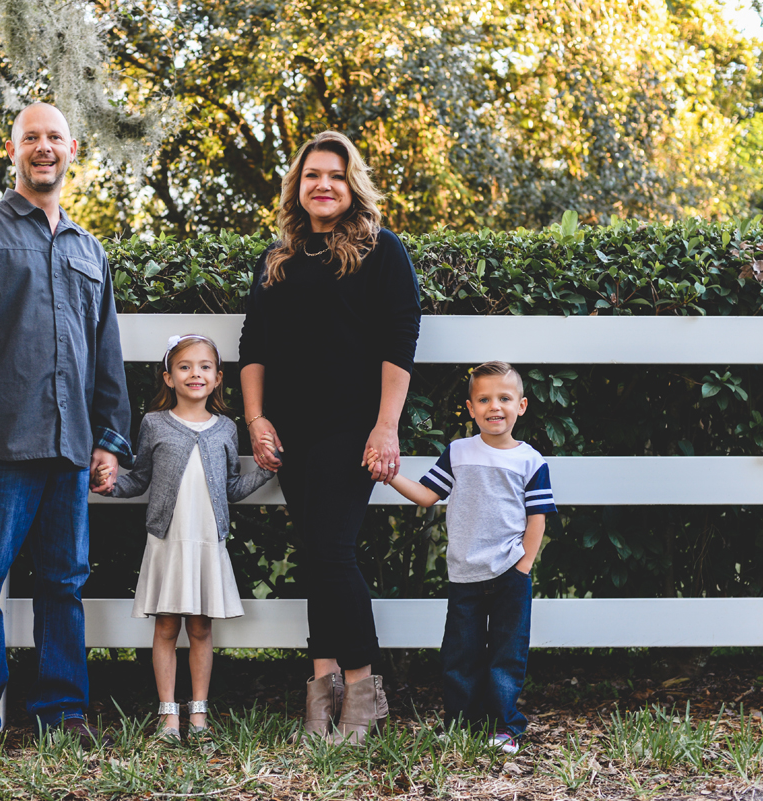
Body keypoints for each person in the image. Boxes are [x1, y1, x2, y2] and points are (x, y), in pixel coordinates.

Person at [0, 102, 133, 753]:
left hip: (72, 447)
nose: (43, 147)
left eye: (53, 137)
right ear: (12, 150)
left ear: (72, 148)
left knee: (64, 586)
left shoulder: (88, 248)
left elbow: (105, 349)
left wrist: (110, 436)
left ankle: (61, 710)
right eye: (30, 138)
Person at [237, 130, 421, 744]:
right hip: (290, 432)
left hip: (352, 428)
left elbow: (400, 344)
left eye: (336, 176)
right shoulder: (278, 257)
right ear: (298, 184)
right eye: (313, 175)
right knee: (317, 555)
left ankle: (364, 692)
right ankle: (322, 694)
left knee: (334, 553)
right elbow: (253, 347)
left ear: (352, 184)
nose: (324, 185)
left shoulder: (381, 250)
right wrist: (257, 419)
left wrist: (385, 426)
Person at [94, 334, 275, 745]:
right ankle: (167, 716)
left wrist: (269, 469)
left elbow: (230, 487)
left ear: (217, 379)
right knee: (165, 627)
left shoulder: (227, 428)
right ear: (169, 377)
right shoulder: (154, 423)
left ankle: (199, 714)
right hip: (167, 541)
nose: (196, 373)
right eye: (185, 367)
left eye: (205, 367)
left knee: (201, 628)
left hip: (207, 542)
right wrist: (111, 487)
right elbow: (139, 479)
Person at [376, 361, 557, 755]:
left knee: (506, 654)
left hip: (511, 571)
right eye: (484, 399)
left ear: (521, 405)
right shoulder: (458, 452)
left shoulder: (531, 460)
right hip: (464, 572)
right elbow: (427, 495)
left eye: (504, 398)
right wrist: (390, 476)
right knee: (461, 653)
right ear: (471, 408)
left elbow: (537, 517)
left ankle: (505, 727)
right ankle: (460, 723)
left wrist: (524, 564)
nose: (495, 406)